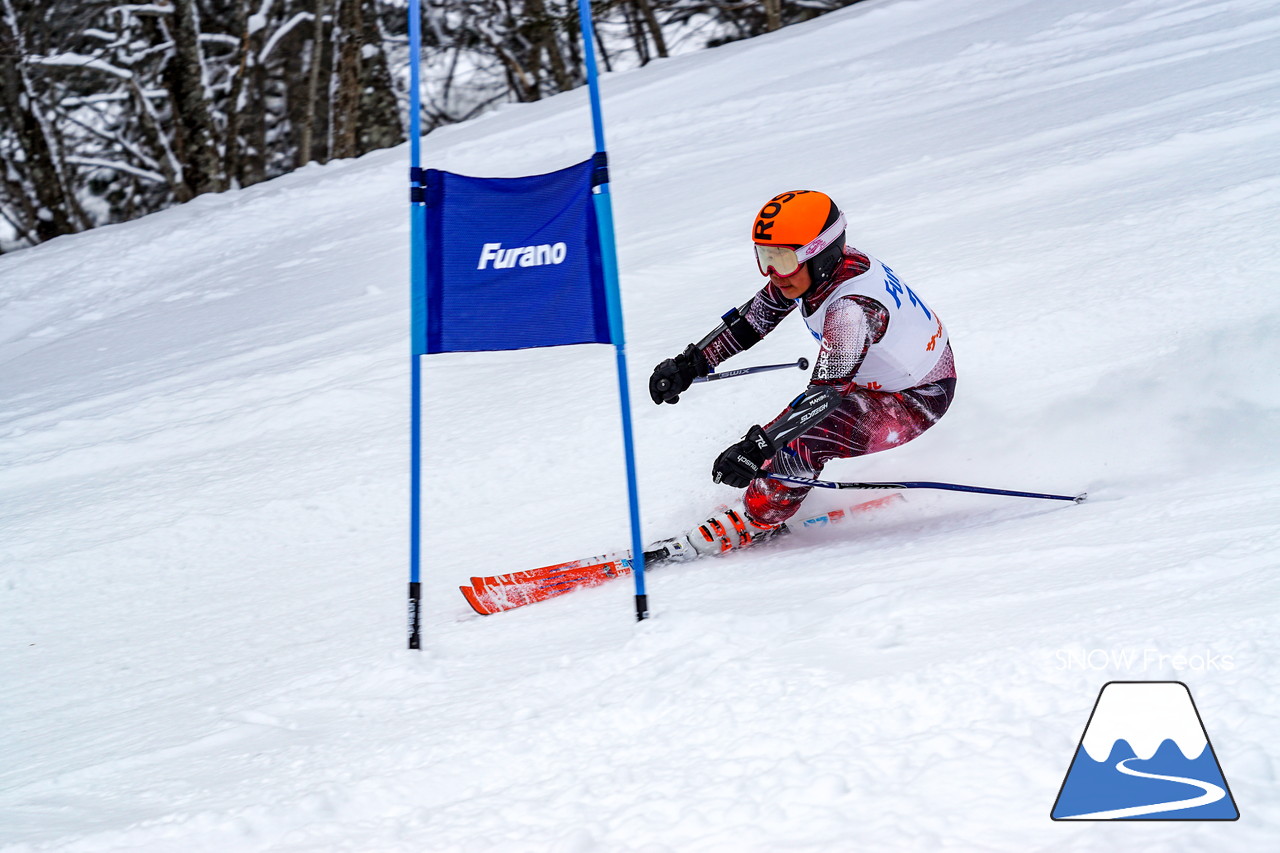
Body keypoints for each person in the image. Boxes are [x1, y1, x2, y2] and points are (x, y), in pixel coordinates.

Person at [647, 190, 956, 558]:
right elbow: (752, 320)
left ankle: (756, 520)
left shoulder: (852, 310)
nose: (773, 272)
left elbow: (824, 398)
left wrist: (759, 446)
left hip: (916, 398)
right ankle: (771, 487)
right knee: (773, 442)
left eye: (782, 259)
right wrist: (692, 363)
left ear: (819, 253)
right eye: (765, 257)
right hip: (880, 379)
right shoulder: (814, 272)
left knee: (803, 440)